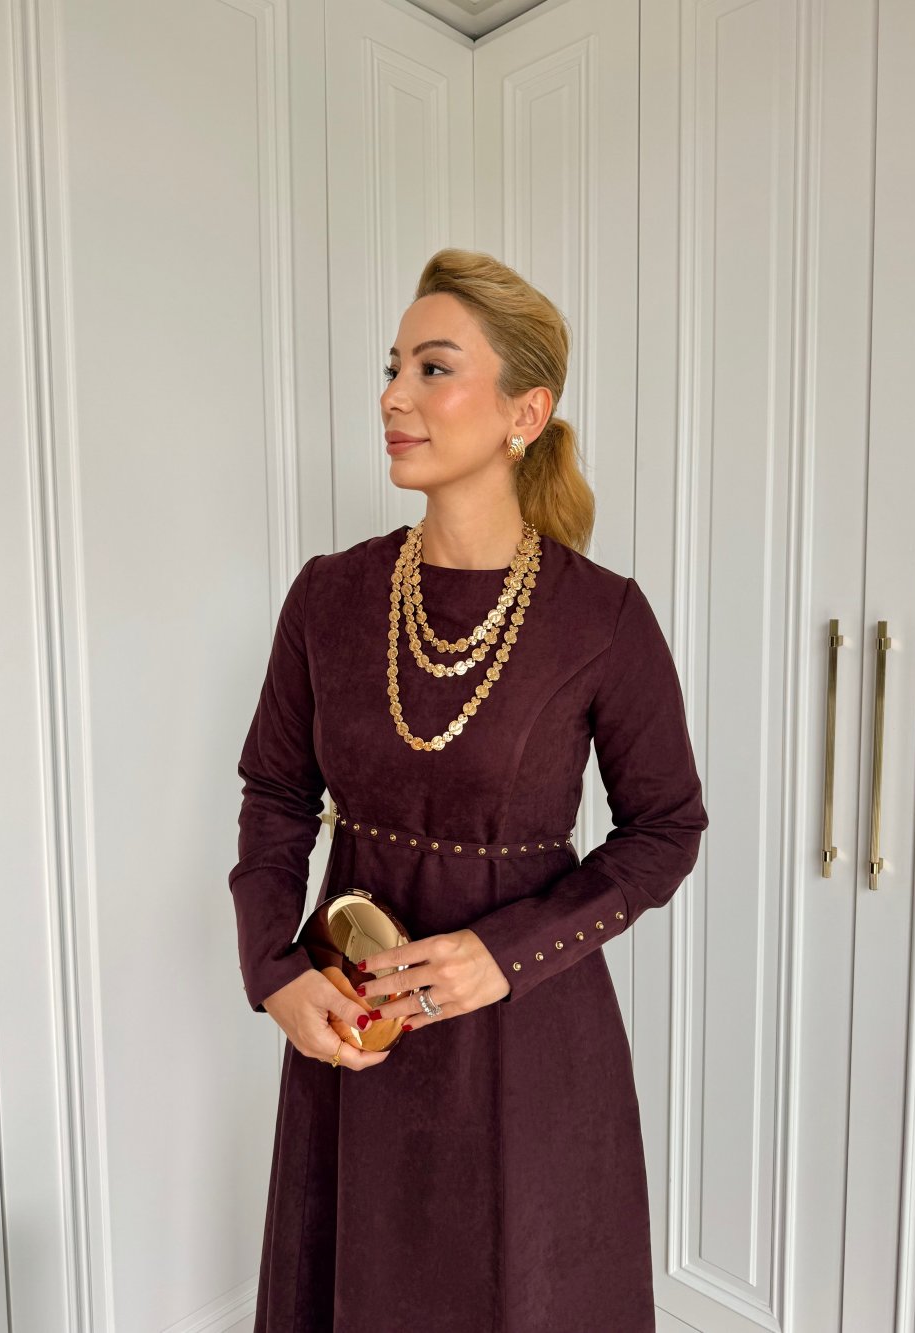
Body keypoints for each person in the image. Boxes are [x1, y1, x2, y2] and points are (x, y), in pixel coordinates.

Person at [228, 248, 709, 1332]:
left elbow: (665, 827)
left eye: (433, 368)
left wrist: (508, 953)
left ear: (523, 412)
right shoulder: (329, 595)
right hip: (355, 1020)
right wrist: (272, 970)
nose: (394, 396)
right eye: (392, 367)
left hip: (529, 1038)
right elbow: (275, 794)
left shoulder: (603, 617)